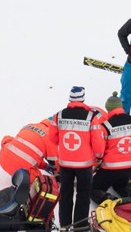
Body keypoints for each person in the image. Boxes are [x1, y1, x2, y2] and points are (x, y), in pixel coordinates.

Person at [48, 86, 105, 229]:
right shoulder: (91, 116)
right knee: (83, 194)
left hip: (65, 164)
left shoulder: (59, 115)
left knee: (66, 193)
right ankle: (80, 226)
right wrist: (99, 155)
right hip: (84, 165)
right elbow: (97, 141)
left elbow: (52, 138)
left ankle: (65, 225)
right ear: (83, 98)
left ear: (70, 98)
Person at [91, 92, 131, 205]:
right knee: (120, 184)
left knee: (94, 189)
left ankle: (109, 201)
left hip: (111, 168)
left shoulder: (106, 126)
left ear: (109, 109)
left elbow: (99, 151)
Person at [0, 118, 58, 183]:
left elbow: (29, 152)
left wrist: (44, 166)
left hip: (3, 156)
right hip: (23, 168)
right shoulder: (52, 137)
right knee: (42, 184)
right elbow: (55, 162)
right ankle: (13, 191)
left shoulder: (30, 125)